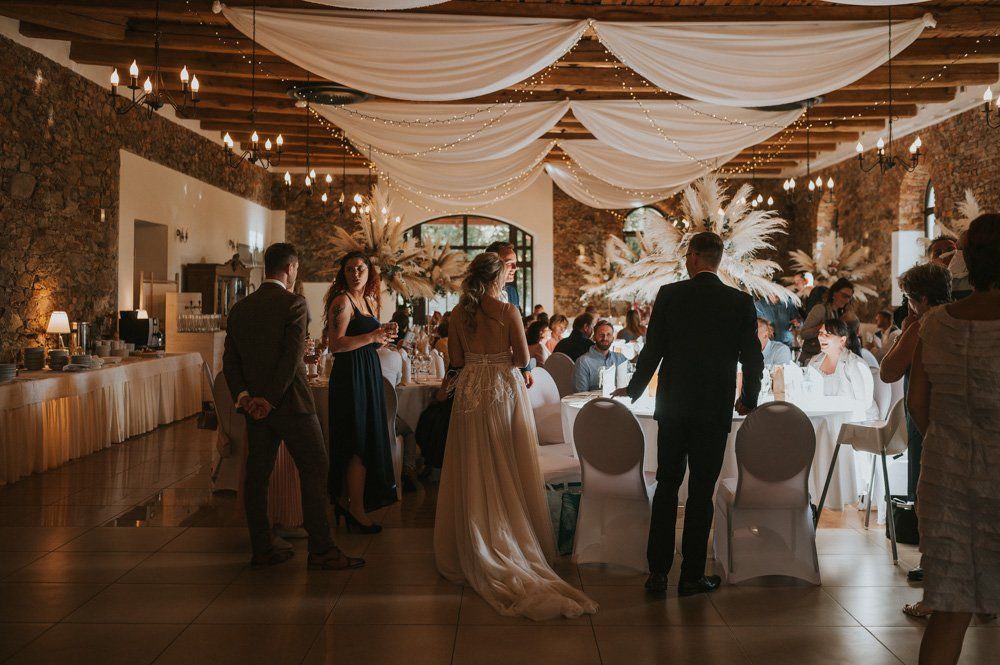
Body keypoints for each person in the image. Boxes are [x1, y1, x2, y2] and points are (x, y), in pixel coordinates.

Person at [434, 253, 598, 620]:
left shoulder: (459, 313)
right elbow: (523, 359)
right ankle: (510, 535)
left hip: (471, 389)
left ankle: (474, 538)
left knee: (474, 460)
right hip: (501, 388)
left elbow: (457, 361)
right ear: (498, 279)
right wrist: (510, 363)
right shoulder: (507, 311)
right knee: (506, 459)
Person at [613, 232, 763, 597]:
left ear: (695, 257)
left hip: (675, 407)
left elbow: (654, 351)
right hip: (713, 409)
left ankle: (658, 573)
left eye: (687, 255)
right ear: (719, 259)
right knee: (700, 492)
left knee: (666, 487)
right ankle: (692, 575)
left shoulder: (670, 295)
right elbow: (753, 357)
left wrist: (633, 390)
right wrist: (749, 398)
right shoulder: (739, 301)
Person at [222, 242, 363, 570]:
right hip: (293, 405)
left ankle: (262, 547)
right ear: (290, 269)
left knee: (257, 475)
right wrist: (270, 399)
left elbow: (230, 362)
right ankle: (322, 549)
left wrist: (247, 398)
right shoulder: (294, 304)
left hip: (256, 409)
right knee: (315, 468)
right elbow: (289, 360)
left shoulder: (241, 309)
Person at [909, 213, 1000, 665]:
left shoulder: (938, 321)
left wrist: (946, 441)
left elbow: (917, 401)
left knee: (949, 608)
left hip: (946, 476)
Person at [879, 261, 953, 610]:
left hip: (930, 419)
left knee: (928, 495)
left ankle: (933, 568)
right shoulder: (958, 316)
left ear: (920, 298)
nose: (906, 304)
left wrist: (908, 328)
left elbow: (889, 371)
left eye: (909, 298)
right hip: (957, 417)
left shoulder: (924, 322)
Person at [324, 251, 398, 535]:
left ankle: (349, 502)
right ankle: (355, 509)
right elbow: (336, 344)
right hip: (350, 376)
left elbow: (367, 342)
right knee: (355, 439)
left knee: (365, 436)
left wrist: (381, 337)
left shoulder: (367, 301)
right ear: (344, 273)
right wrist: (372, 336)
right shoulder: (342, 302)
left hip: (366, 371)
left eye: (361, 268)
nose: (356, 273)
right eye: (350, 269)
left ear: (370, 272)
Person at [807, 318, 875, 417]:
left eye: (827, 335)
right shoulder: (814, 362)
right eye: (820, 333)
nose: (821, 338)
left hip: (853, 421)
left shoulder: (855, 364)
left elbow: (864, 404)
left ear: (842, 340)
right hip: (821, 417)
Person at [894, 236, 959, 327]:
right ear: (931, 261)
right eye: (938, 253)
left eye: (950, 250)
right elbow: (903, 315)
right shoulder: (921, 283)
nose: (945, 254)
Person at [800, 277, 859, 363]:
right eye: (844, 296)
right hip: (811, 359)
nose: (847, 300)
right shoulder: (820, 309)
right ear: (834, 293)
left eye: (849, 298)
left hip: (826, 360)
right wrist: (825, 327)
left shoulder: (838, 313)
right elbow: (803, 334)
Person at [573, 319, 628, 392]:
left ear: (613, 338)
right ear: (594, 337)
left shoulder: (621, 359)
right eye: (601, 335)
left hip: (619, 402)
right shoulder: (583, 362)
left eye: (608, 335)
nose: (605, 338)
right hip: (595, 402)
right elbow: (580, 395)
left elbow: (629, 386)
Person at [485, 241, 520, 311]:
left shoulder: (512, 292)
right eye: (509, 263)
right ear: (492, 264)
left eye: (515, 263)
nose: (515, 267)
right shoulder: (478, 292)